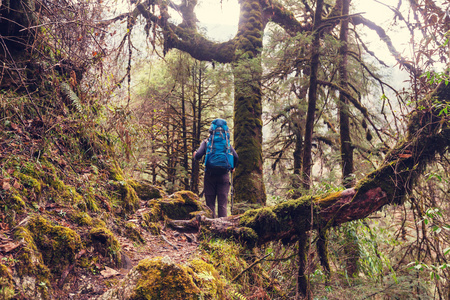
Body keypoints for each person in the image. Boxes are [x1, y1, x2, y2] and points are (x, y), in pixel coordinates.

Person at [194, 119, 239, 218]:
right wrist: (233, 167)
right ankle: (223, 228)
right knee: (222, 204)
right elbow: (236, 156)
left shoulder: (206, 142)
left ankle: (211, 227)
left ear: (211, 130)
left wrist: (195, 155)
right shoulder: (226, 144)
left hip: (210, 176)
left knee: (210, 204)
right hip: (224, 176)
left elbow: (198, 156)